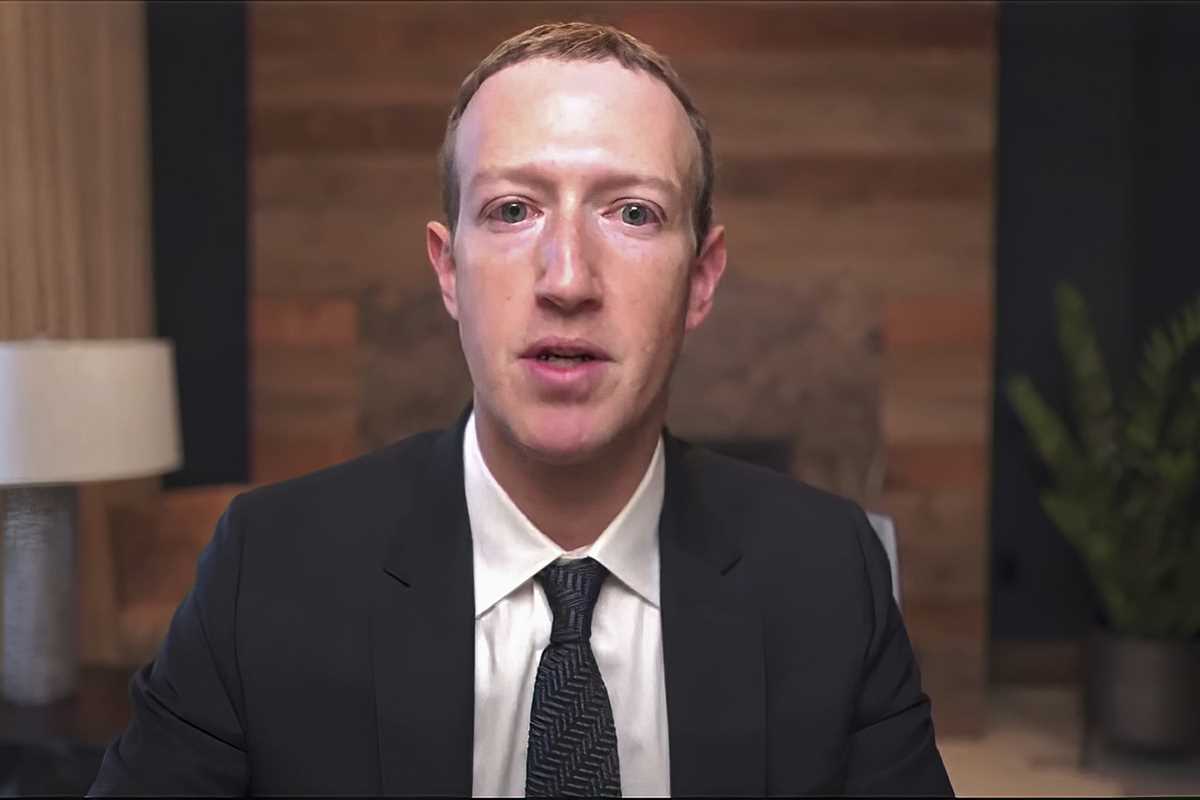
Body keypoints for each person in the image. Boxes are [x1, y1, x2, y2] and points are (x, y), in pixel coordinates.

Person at [90, 21, 953, 797]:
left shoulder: (829, 573)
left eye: (632, 212)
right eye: (512, 210)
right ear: (447, 269)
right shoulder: (268, 569)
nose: (567, 279)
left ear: (700, 278)